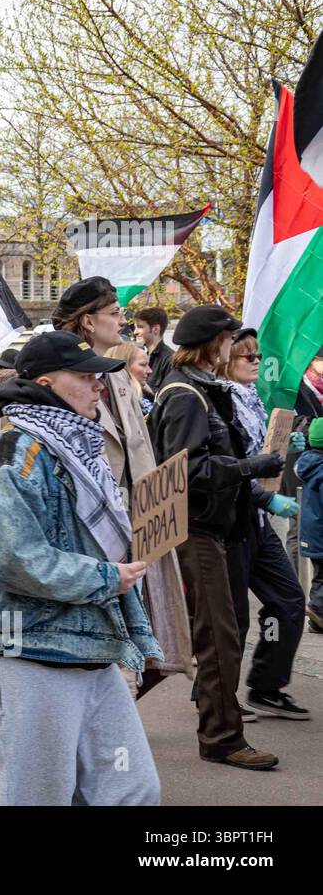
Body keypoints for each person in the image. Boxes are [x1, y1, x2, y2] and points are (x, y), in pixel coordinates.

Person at [0, 330, 163, 804]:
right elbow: (14, 560)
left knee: (131, 789)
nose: (99, 386)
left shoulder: (77, 449)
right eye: (86, 377)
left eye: (99, 377)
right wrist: (108, 578)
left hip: (89, 645)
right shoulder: (14, 455)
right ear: (46, 382)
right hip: (27, 647)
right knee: (28, 793)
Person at [150, 305, 284, 770]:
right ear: (213, 344)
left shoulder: (203, 390)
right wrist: (253, 467)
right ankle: (223, 738)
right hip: (195, 530)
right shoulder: (186, 393)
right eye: (229, 340)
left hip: (214, 528)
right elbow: (186, 469)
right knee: (218, 638)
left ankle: (108, 712)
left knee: (203, 636)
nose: (235, 349)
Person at [54, 277, 192, 693]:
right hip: (89, 523)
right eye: (115, 313)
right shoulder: (59, 375)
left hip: (138, 516)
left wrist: (158, 508)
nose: (123, 321)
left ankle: (115, 710)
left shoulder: (115, 374)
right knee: (104, 631)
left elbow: (140, 446)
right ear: (88, 321)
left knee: (149, 630)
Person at [216, 328, 310, 719]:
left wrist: (288, 447)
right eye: (246, 356)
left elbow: (261, 455)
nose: (256, 361)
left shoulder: (252, 397)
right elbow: (224, 470)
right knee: (232, 617)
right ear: (224, 360)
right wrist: (267, 496)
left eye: (257, 355)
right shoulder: (218, 404)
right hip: (229, 521)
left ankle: (266, 685)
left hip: (256, 520)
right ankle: (217, 697)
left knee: (288, 600)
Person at [299, 419, 323, 632]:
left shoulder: (308, 463)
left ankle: (316, 620)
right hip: (321, 534)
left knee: (320, 574)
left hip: (312, 533)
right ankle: (317, 609)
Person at [133, 306, 174, 394]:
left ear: (155, 329)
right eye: (135, 327)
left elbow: (167, 397)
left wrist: (142, 385)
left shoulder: (170, 360)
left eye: (140, 327)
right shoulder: (141, 354)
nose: (135, 332)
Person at [105, 342, 153, 414]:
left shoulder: (142, 397)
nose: (150, 371)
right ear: (124, 367)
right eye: (143, 365)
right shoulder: (123, 405)